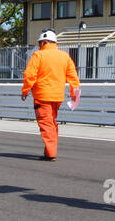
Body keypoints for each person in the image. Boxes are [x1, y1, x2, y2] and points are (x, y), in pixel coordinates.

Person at [20, 30, 80, 161]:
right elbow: (73, 78)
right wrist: (74, 95)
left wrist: (25, 91)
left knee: (46, 125)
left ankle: (51, 153)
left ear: (45, 42)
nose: (40, 45)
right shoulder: (64, 56)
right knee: (51, 123)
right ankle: (49, 151)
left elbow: (30, 75)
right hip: (58, 97)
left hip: (42, 96)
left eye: (41, 43)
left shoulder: (38, 55)